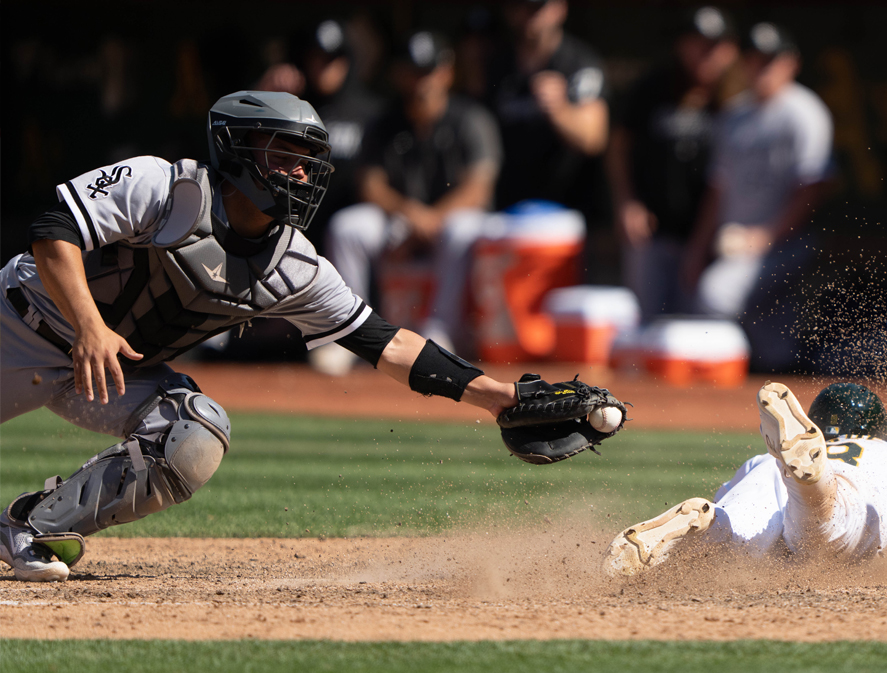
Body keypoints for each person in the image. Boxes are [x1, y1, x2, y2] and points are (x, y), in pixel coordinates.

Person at [0, 91, 521, 582]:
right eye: (285, 156)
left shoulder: (293, 264)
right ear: (237, 149)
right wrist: (89, 325)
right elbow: (52, 227)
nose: (300, 173)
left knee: (194, 432)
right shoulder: (166, 186)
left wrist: (500, 398)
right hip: (20, 326)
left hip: (105, 374)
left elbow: (387, 343)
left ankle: (31, 525)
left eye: (308, 162)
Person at [604, 382, 887, 575]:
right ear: (878, 429)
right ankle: (812, 480)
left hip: (772, 468)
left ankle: (709, 527)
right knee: (824, 530)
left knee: (736, 535)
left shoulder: (758, 460)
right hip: (843, 489)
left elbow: (729, 497)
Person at [318, 31, 502, 367]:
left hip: (452, 224)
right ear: (399, 74)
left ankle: (441, 332)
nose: (421, 81)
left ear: (446, 72)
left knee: (461, 229)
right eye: (413, 71)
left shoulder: (470, 118)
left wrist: (431, 219)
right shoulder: (385, 122)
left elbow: (479, 189)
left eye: (428, 71)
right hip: (403, 220)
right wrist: (410, 214)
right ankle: (350, 333)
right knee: (349, 227)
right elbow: (370, 186)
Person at [681, 22, 833, 371]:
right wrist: (697, 247)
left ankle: (711, 389)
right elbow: (717, 191)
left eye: (770, 60)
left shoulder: (804, 112)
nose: (761, 68)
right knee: (774, 350)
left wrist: (764, 237)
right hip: (737, 245)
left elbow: (813, 190)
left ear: (791, 63)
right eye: (755, 59)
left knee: (715, 294)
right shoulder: (734, 115)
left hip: (785, 243)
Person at [607, 6, 740, 319]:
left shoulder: (739, 101)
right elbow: (618, 146)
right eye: (698, 44)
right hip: (653, 232)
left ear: (731, 50)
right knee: (647, 323)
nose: (705, 54)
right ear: (681, 45)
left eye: (715, 46)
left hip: (713, 240)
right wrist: (627, 202)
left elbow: (723, 181)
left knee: (696, 330)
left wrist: (700, 244)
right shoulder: (654, 87)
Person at [257, 19, 385, 253]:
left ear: (346, 61)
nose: (323, 67)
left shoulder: (372, 112)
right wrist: (266, 98)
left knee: (352, 227)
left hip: (350, 232)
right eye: (316, 58)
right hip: (294, 225)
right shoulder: (289, 105)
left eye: (331, 59)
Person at [484, 0, 609, 217]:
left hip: (566, 210)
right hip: (506, 208)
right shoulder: (498, 65)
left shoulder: (579, 63)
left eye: (538, 7)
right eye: (522, 6)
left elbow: (593, 139)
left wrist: (560, 110)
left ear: (561, 8)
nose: (530, 15)